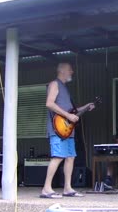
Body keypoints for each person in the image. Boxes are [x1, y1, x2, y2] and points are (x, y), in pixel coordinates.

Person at [40, 62, 95, 198]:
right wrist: (68, 115)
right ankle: (46, 189)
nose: (72, 72)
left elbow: (72, 111)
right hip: (57, 129)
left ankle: (68, 188)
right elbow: (49, 103)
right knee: (58, 157)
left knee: (70, 157)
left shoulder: (65, 88)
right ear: (62, 71)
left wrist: (86, 107)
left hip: (68, 130)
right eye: (70, 70)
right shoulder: (55, 84)